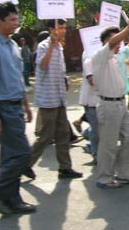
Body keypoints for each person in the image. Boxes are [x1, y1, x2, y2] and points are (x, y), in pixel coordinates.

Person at [0, 2, 35, 214]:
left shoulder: (12, 45)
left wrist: (26, 105)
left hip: (16, 106)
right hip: (3, 108)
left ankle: (12, 199)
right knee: (22, 153)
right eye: (11, 19)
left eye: (16, 18)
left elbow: (17, 79)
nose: (16, 23)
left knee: (10, 156)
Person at [28, 19, 82, 180]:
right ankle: (26, 164)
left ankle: (65, 168)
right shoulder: (44, 46)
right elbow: (43, 66)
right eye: (61, 27)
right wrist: (52, 45)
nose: (64, 30)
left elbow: (58, 71)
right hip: (48, 99)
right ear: (52, 29)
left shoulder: (59, 46)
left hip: (59, 98)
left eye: (65, 27)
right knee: (46, 136)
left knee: (63, 134)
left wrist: (65, 80)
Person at [93, 17, 129, 188]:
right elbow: (113, 41)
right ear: (106, 41)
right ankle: (104, 178)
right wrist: (127, 28)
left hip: (121, 104)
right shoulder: (100, 56)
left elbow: (128, 47)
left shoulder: (114, 59)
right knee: (109, 144)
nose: (120, 43)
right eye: (117, 38)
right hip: (108, 106)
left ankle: (124, 173)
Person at [78, 50, 100, 162]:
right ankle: (95, 153)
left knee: (98, 127)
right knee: (96, 128)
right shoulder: (88, 54)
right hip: (92, 100)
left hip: (101, 99)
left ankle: (87, 136)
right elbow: (91, 80)